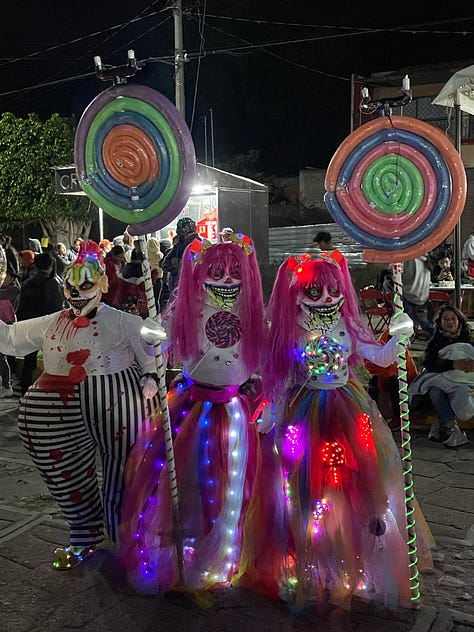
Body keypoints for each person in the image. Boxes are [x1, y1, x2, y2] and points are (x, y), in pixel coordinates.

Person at [255, 251, 432, 609]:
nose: (326, 298)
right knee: (306, 492)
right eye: (314, 291)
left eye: (332, 290)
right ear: (297, 294)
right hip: (305, 414)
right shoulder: (290, 331)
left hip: (349, 411)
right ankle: (312, 564)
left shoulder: (349, 325)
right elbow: (279, 379)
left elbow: (380, 358)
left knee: (362, 486)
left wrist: (400, 335)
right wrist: (270, 413)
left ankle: (361, 560)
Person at [0, 241, 163, 570]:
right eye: (70, 287)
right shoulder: (54, 321)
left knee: (125, 473)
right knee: (69, 476)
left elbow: (155, 342)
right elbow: (11, 339)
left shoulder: (122, 321)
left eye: (86, 285)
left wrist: (152, 373)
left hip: (119, 404)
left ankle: (127, 540)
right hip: (62, 408)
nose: (76, 295)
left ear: (103, 283)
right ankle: (85, 536)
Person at [119, 234, 265, 593]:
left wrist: (271, 398)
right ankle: (187, 548)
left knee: (234, 486)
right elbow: (157, 344)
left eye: (235, 273)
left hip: (234, 409)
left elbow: (268, 359)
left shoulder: (251, 312)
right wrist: (151, 337)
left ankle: (225, 551)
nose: (227, 280)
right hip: (192, 408)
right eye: (217, 272)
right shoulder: (186, 309)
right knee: (186, 482)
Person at [409, 305, 473, 448]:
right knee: (434, 390)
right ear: (440, 322)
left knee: (454, 392)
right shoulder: (436, 340)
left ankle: (441, 423)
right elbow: (429, 363)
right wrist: (452, 364)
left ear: (459, 321)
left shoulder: (469, 337)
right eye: (445, 319)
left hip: (465, 380)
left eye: (453, 319)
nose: (450, 322)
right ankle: (454, 430)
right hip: (443, 378)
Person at [16, 253, 65, 394]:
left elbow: (21, 308)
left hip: (30, 327)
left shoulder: (27, 283)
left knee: (29, 361)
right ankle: (54, 392)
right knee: (53, 360)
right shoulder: (53, 283)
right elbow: (57, 307)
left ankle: (25, 392)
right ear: (50, 266)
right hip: (48, 327)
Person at [365, 329, 418, 430]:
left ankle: (398, 416)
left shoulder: (401, 352)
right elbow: (372, 364)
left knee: (395, 381)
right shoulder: (381, 346)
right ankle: (371, 414)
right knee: (373, 382)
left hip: (405, 381)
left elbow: (401, 371)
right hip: (384, 378)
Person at [161, 217, 200, 301]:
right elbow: (165, 263)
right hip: (178, 285)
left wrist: (178, 264)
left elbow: (193, 266)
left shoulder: (197, 243)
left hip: (191, 286)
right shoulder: (179, 244)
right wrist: (177, 267)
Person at [402, 256, 434, 338]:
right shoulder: (427, 260)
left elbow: (406, 277)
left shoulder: (411, 259)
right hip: (423, 294)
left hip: (410, 293)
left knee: (412, 317)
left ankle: (433, 331)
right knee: (417, 318)